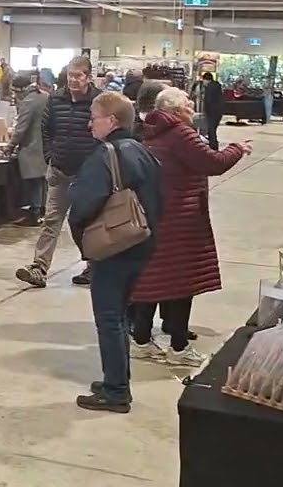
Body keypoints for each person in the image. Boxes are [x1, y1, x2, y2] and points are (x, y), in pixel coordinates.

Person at [131, 86, 250, 366]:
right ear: (174, 110)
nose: (192, 106)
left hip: (159, 214)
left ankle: (141, 339)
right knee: (182, 283)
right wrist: (237, 148)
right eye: (187, 103)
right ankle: (178, 347)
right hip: (181, 220)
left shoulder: (151, 131)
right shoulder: (181, 133)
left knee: (153, 280)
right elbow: (213, 162)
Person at [66, 91, 161, 413]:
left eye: (94, 117)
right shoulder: (142, 151)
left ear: (112, 120)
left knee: (109, 318)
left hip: (114, 246)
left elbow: (82, 205)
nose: (89, 123)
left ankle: (116, 390)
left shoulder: (105, 155)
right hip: (142, 243)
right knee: (120, 315)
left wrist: (84, 238)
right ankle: (116, 379)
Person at [15, 56, 102, 288]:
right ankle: (39, 267)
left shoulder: (99, 101)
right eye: (70, 75)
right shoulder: (55, 99)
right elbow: (46, 129)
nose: (73, 80)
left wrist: (98, 165)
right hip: (60, 170)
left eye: (78, 75)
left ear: (88, 76)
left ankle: (94, 266)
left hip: (88, 174)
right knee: (51, 221)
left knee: (86, 222)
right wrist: (50, 158)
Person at [9, 72, 48, 226]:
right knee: (42, 180)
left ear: (20, 90)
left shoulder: (28, 102)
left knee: (33, 181)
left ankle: (34, 213)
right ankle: (42, 211)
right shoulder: (45, 96)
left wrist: (10, 145)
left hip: (31, 147)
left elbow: (21, 128)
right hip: (45, 145)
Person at [199, 72, 225, 150]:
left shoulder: (210, 88)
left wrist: (205, 111)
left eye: (203, 81)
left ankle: (213, 147)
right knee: (213, 130)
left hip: (212, 112)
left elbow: (208, 100)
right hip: (218, 112)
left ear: (206, 80)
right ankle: (213, 146)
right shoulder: (217, 86)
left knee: (211, 131)